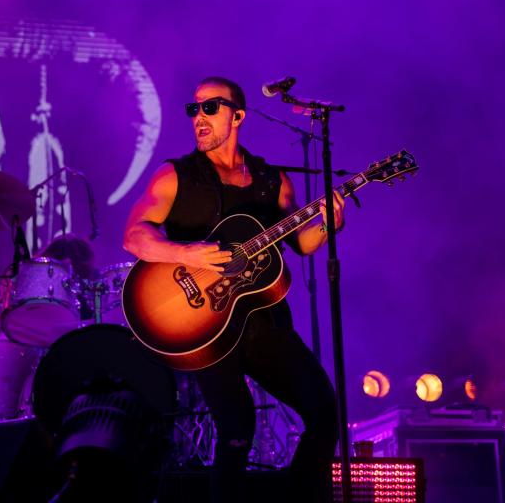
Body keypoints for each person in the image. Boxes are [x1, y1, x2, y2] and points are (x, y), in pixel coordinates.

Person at [122, 76, 344, 502]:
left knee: (324, 413)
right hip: (202, 325)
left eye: (210, 108)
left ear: (238, 116)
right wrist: (187, 254)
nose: (198, 118)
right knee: (238, 427)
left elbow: (301, 243)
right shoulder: (176, 175)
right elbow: (134, 237)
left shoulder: (273, 180)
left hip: (264, 322)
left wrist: (329, 225)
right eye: (194, 109)